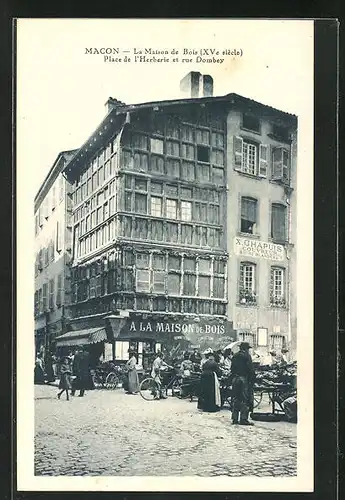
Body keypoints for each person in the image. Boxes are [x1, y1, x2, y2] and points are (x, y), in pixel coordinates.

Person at [231, 342, 256, 425]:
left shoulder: (235, 356)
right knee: (244, 399)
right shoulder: (247, 356)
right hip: (243, 379)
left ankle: (234, 418)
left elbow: (232, 369)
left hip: (235, 379)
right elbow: (250, 369)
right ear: (246, 349)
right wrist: (253, 380)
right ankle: (243, 419)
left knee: (235, 398)